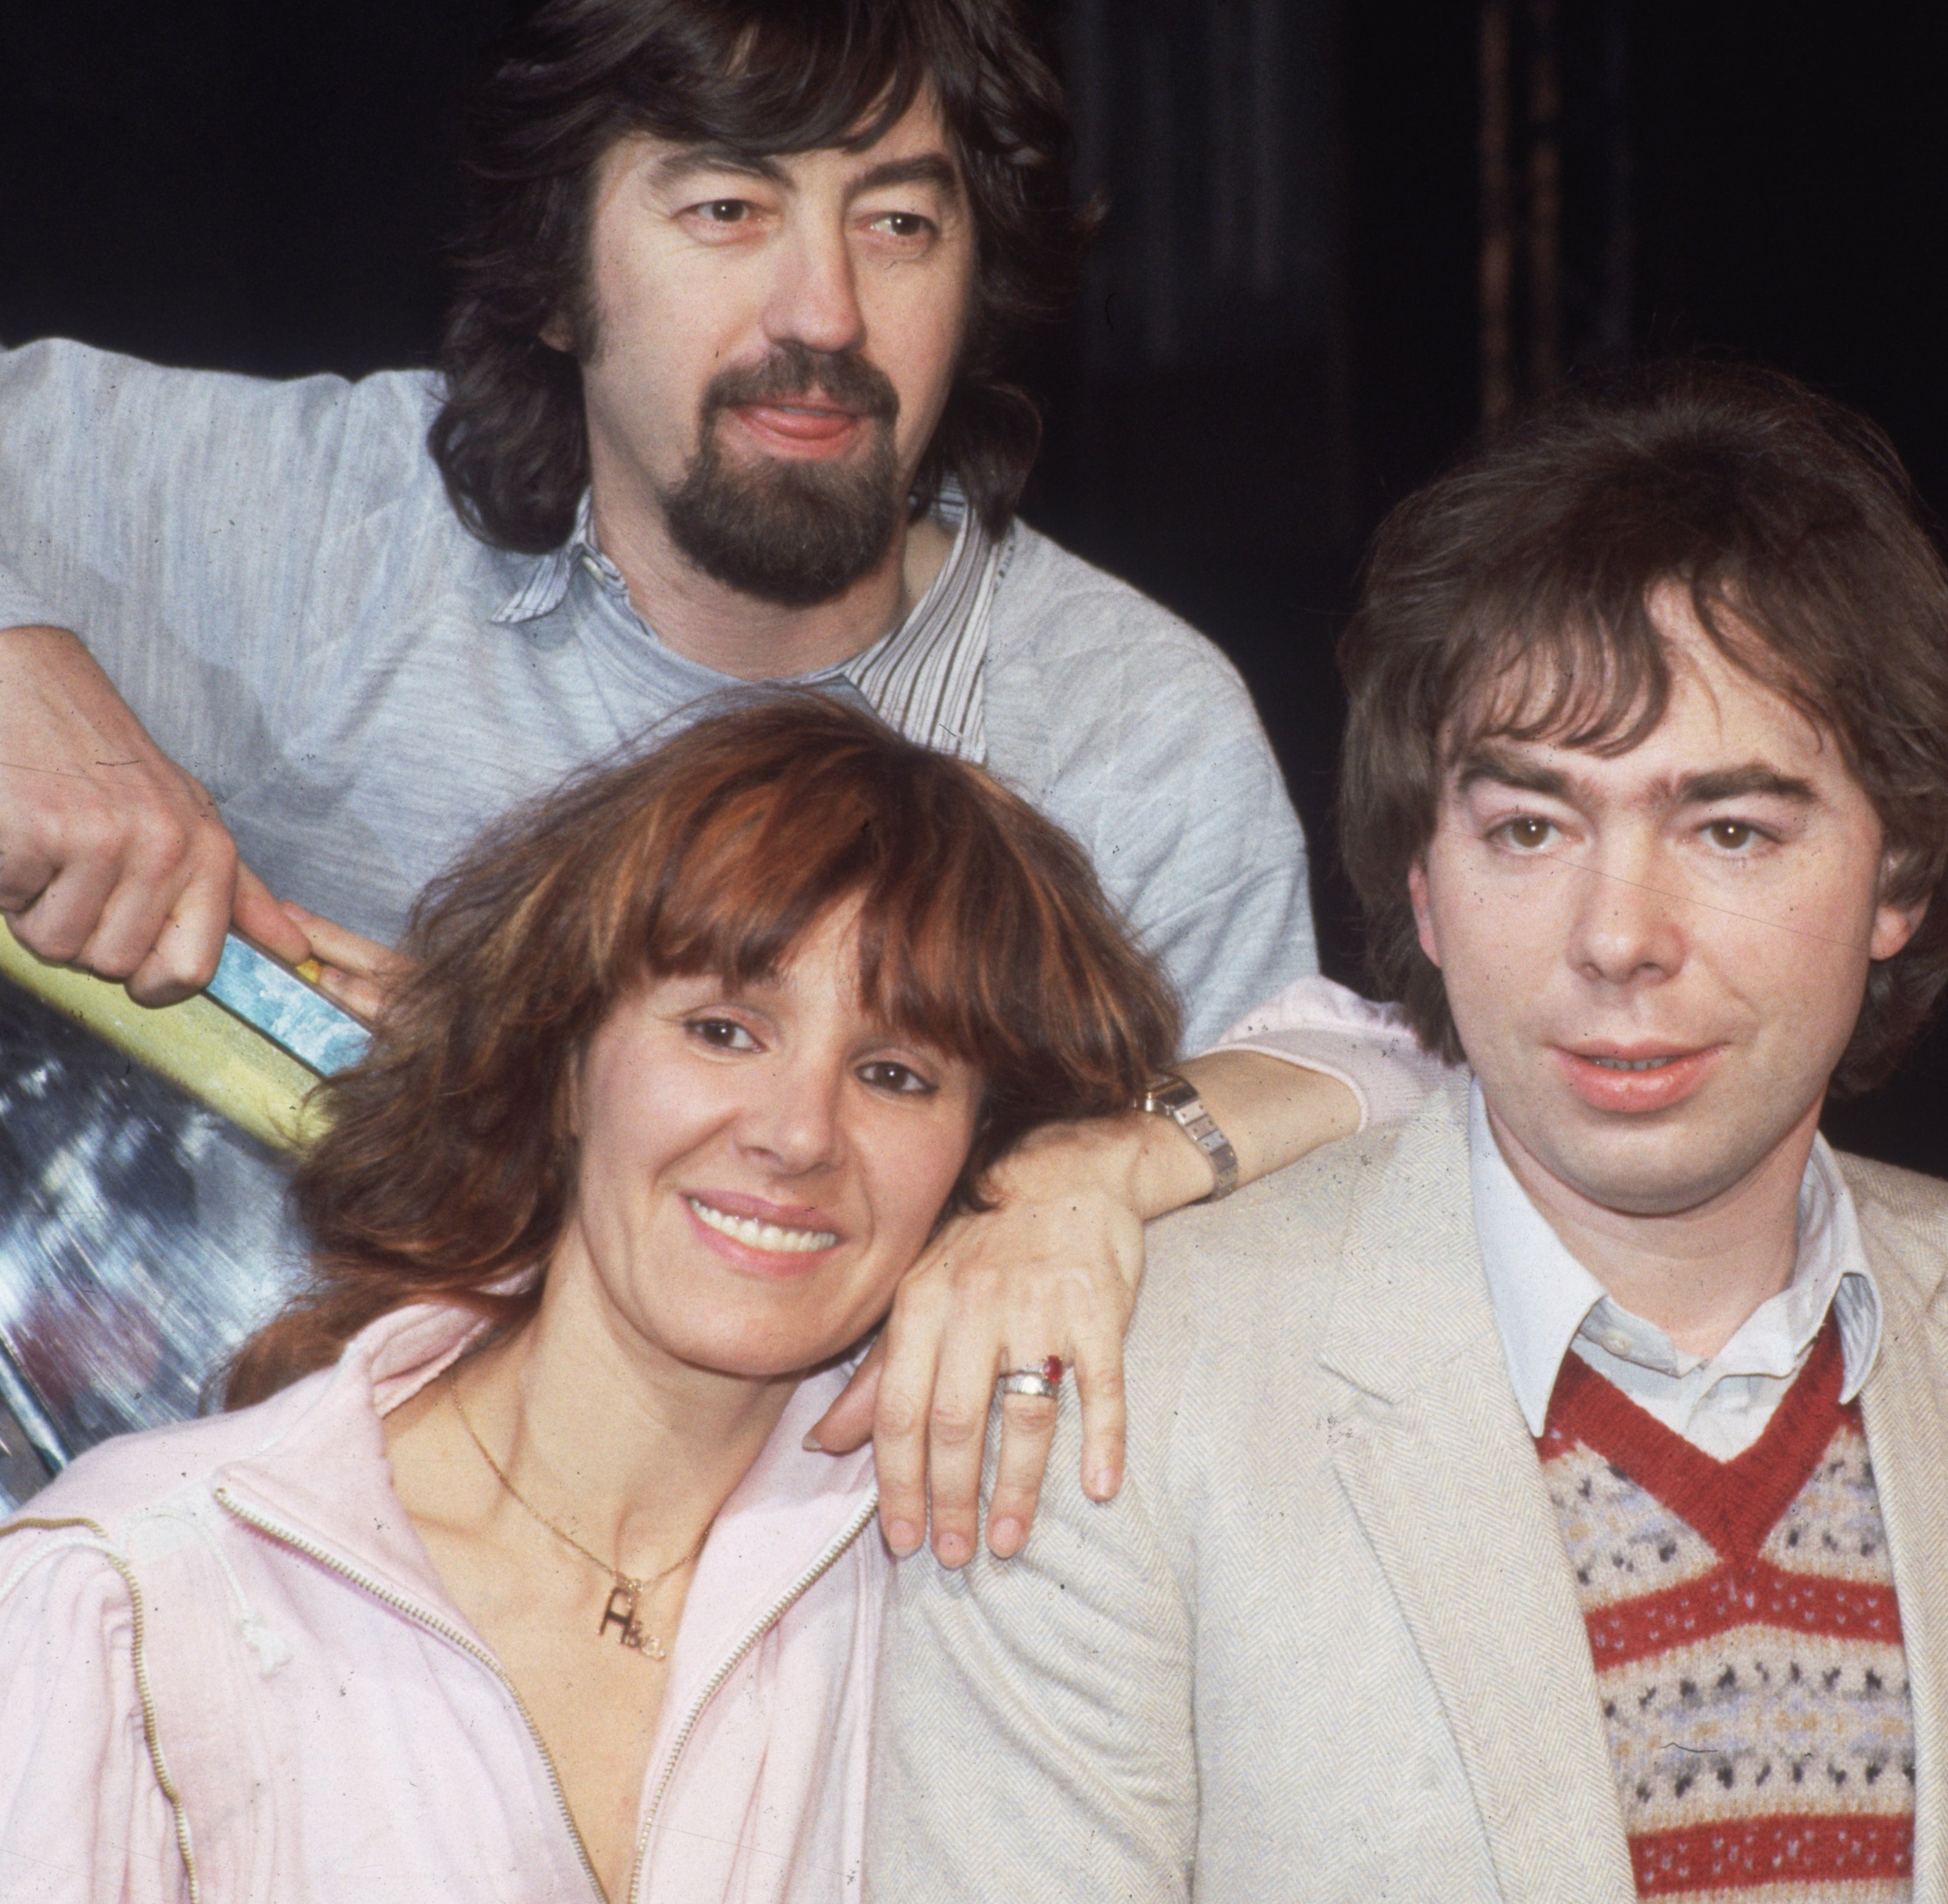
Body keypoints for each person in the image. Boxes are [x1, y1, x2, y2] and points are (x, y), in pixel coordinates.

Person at [0, 0, 1373, 1561]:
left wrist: (1093, 1168)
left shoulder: (1122, 731)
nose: (825, 311)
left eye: (902, 222)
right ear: (560, 275)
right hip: (208, 1591)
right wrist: (21, 669)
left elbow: (1350, 1158)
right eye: (727, 209)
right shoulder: (299, 534)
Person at [870, 365, 1948, 1903]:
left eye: (1730, 830)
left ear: (1904, 877)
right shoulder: (1124, 1385)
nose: (1619, 935)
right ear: (1422, 878)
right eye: (1530, 827)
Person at [0, 694, 1181, 1900]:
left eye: (896, 1074)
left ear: (979, 1150)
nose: (798, 1132)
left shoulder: (948, 1554)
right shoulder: (140, 1586)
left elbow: (1372, 1057)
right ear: (560, 1062)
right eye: (725, 1031)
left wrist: (1104, 1169)